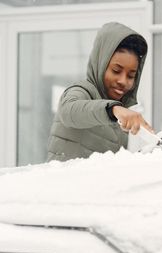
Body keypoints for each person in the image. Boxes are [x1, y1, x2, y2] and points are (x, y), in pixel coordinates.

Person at [47, 22, 153, 162]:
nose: (123, 80)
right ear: (100, 64)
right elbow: (68, 111)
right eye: (116, 71)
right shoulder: (81, 91)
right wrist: (113, 109)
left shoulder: (118, 117)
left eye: (131, 76)